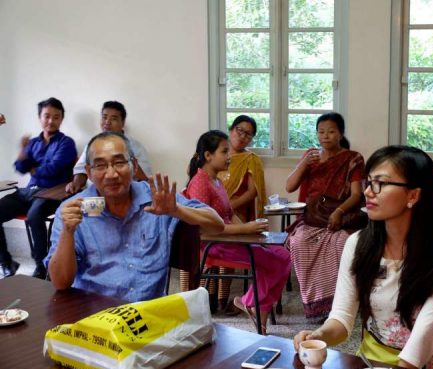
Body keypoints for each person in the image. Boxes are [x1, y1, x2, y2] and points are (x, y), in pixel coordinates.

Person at [294, 145, 433, 369]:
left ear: (413, 195)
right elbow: (342, 317)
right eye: (369, 182)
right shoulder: (358, 243)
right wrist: (321, 335)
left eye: (381, 183)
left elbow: (427, 330)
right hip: (369, 364)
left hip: (425, 366)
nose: (368, 191)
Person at [45, 131, 224, 302]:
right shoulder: (73, 210)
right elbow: (60, 283)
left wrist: (176, 210)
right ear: (89, 172)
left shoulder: (156, 198)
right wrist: (68, 232)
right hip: (96, 317)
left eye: (119, 162)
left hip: (146, 317)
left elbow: (217, 225)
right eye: (100, 165)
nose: (111, 174)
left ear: (135, 166)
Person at [185, 130, 290, 334]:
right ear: (208, 156)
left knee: (283, 254)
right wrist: (245, 229)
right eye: (224, 152)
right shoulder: (199, 182)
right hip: (215, 245)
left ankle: (253, 305)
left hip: (231, 239)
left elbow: (230, 214)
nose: (229, 156)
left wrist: (252, 232)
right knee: (274, 261)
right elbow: (204, 227)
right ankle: (254, 307)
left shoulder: (217, 181)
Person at [285, 112, 365, 320]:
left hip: (341, 218)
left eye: (331, 131)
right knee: (299, 242)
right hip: (312, 218)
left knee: (342, 243)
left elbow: (357, 195)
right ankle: (314, 304)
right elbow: (290, 186)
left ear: (340, 133)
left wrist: (339, 212)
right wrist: (303, 164)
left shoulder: (353, 158)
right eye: (321, 132)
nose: (325, 136)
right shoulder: (310, 157)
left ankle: (339, 306)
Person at [0, 97, 77, 279]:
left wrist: (31, 166)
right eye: (47, 116)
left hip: (52, 194)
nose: (51, 121)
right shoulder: (33, 143)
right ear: (39, 117)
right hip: (28, 192)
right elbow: (20, 168)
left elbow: (52, 169)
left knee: (35, 215)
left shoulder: (66, 143)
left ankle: (42, 266)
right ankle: (6, 262)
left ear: (61, 119)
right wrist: (22, 151)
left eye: (56, 117)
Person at [217, 115, 266, 312]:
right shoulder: (215, 153)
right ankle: (207, 297)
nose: (243, 136)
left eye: (249, 134)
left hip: (236, 212)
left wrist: (228, 206)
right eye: (240, 130)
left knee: (228, 236)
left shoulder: (250, 159)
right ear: (231, 129)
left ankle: (223, 299)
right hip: (209, 209)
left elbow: (252, 192)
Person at [65, 101, 152, 193]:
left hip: (124, 194)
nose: (107, 122)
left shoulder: (136, 147)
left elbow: (146, 180)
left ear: (122, 123)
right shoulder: (93, 144)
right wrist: (75, 184)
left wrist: (129, 163)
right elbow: (81, 169)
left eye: (113, 119)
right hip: (93, 195)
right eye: (104, 117)